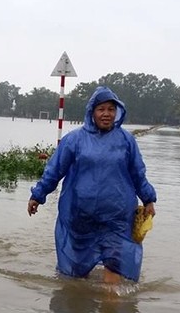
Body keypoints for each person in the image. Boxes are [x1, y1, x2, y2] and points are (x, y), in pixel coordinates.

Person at [27, 85, 157, 283]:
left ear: (117, 111)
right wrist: (38, 195)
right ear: (92, 112)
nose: (106, 114)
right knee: (75, 277)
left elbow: (138, 173)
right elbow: (54, 170)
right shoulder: (74, 140)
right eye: (101, 109)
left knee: (115, 270)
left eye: (111, 109)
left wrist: (148, 199)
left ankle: (109, 309)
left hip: (117, 218)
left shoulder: (126, 140)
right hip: (80, 218)